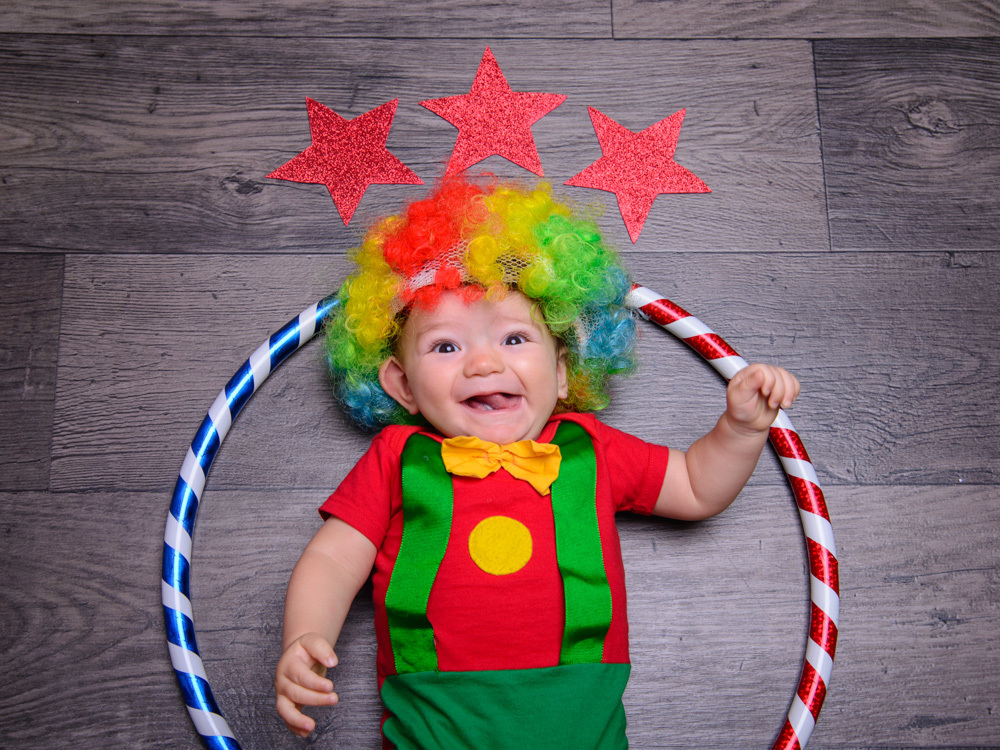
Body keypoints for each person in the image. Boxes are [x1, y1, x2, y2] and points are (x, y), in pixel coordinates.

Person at [274, 175, 799, 748]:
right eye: (446, 347)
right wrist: (304, 638)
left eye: (515, 339)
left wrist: (742, 428)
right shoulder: (399, 458)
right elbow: (332, 558)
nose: (481, 364)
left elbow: (698, 486)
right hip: (436, 720)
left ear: (564, 371)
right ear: (401, 384)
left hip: (581, 716)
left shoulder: (590, 449)